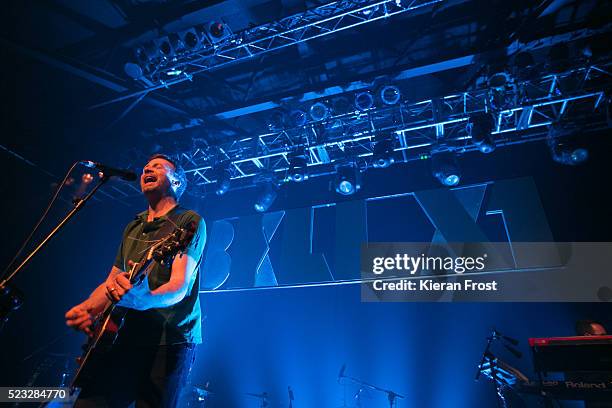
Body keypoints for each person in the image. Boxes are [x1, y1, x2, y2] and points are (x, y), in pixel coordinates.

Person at [65, 154, 206, 407]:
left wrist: (144, 299)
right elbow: (112, 281)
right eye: (146, 167)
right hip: (125, 334)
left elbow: (179, 287)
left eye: (157, 167)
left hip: (170, 339)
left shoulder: (188, 221)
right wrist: (88, 308)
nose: (147, 169)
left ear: (176, 182)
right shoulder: (134, 225)